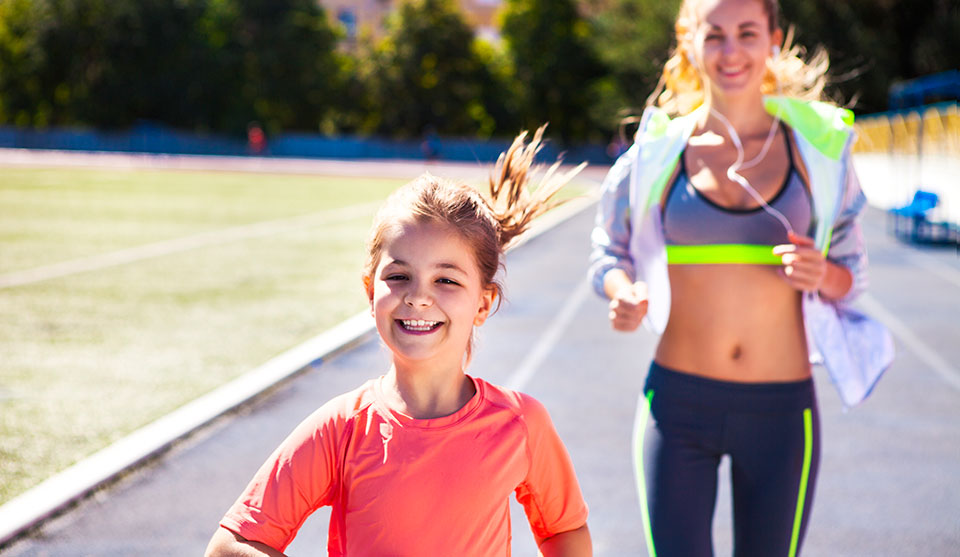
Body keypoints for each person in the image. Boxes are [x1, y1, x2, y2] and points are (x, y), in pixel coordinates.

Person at [588, 0, 894, 555]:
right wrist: (623, 291)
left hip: (780, 414)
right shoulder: (655, 155)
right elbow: (610, 253)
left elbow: (852, 276)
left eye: (747, 33)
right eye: (716, 35)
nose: (731, 52)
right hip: (676, 409)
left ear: (773, 38)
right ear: (691, 41)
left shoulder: (817, 154)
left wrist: (821, 273)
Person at [206, 127, 592, 557]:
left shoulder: (520, 424)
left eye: (446, 279)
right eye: (399, 276)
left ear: (483, 305)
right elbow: (230, 545)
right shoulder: (342, 429)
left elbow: (565, 531)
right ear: (372, 292)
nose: (418, 296)